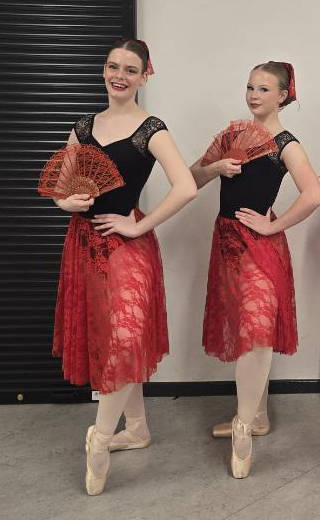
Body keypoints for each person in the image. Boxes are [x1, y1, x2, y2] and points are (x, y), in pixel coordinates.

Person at [51, 38, 197, 495]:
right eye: (113, 66)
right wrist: (67, 202)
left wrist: (140, 225)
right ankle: (136, 428)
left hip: (126, 245)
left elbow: (186, 186)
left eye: (130, 70)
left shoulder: (151, 129)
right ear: (104, 70)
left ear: (145, 75)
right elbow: (59, 188)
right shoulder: (83, 127)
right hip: (83, 244)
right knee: (110, 338)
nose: (120, 75)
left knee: (126, 338)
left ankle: (100, 436)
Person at [190, 61, 320, 478]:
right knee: (245, 328)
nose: (253, 95)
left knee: (258, 330)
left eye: (263, 89)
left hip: (260, 245)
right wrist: (216, 168)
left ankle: (244, 425)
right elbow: (190, 179)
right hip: (227, 243)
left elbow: (313, 194)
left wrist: (273, 225)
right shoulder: (231, 137)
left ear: (283, 95)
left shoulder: (286, 144)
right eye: (250, 87)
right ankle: (257, 415)